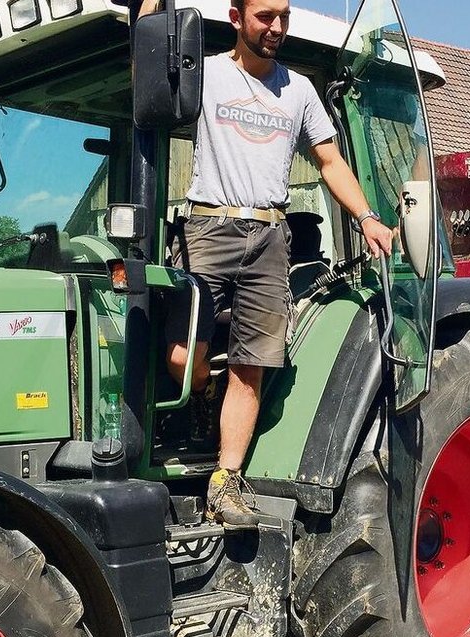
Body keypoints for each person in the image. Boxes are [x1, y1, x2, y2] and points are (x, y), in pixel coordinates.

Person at [139, 0, 394, 529]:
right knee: (184, 359)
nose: (276, 28)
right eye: (264, 17)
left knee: (250, 366)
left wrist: (367, 216)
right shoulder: (205, 73)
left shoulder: (298, 90)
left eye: (282, 17)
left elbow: (328, 161)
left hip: (270, 234)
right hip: (208, 227)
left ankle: (226, 480)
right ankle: (203, 399)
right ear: (237, 17)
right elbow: (148, 73)